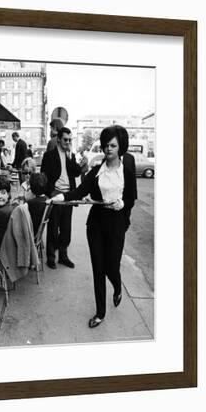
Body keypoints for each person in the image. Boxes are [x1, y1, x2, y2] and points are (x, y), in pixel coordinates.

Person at [50, 125, 137, 328]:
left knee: (111, 268)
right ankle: (100, 313)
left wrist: (122, 204)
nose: (108, 149)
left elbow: (131, 198)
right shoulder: (97, 170)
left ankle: (117, 287)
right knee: (98, 268)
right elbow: (80, 190)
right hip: (96, 224)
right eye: (106, 145)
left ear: (121, 146)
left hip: (116, 225)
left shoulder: (127, 172)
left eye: (113, 145)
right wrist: (59, 197)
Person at [40, 127, 81, 269]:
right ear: (58, 139)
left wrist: (71, 158)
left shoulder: (71, 155)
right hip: (55, 194)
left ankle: (63, 256)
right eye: (65, 140)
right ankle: (51, 257)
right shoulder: (49, 155)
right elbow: (43, 178)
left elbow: (77, 173)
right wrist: (50, 193)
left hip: (68, 195)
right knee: (53, 227)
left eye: (70, 140)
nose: (68, 142)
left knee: (66, 228)